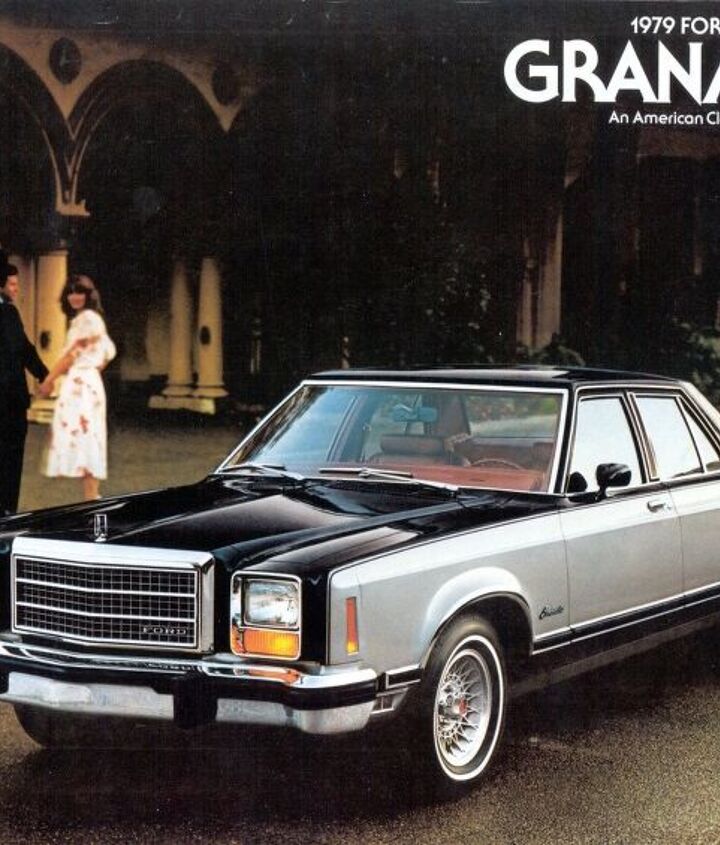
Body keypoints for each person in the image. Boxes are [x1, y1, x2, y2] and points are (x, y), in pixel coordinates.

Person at [39, 275, 116, 501]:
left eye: (79, 292)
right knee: (89, 435)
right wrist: (94, 367)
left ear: (88, 295)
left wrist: (49, 380)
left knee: (86, 435)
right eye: (71, 292)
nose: (74, 297)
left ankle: (91, 496)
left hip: (81, 384)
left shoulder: (87, 320)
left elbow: (71, 356)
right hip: (88, 381)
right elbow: (108, 352)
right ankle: (91, 494)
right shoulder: (90, 319)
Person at [0, 254, 49, 515]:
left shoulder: (10, 312)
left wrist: (43, 373)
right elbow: (20, 349)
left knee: (10, 457)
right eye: (12, 284)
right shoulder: (7, 312)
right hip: (7, 399)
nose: (16, 289)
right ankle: (6, 511)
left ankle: (7, 511)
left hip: (12, 399)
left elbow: (24, 348)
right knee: (8, 457)